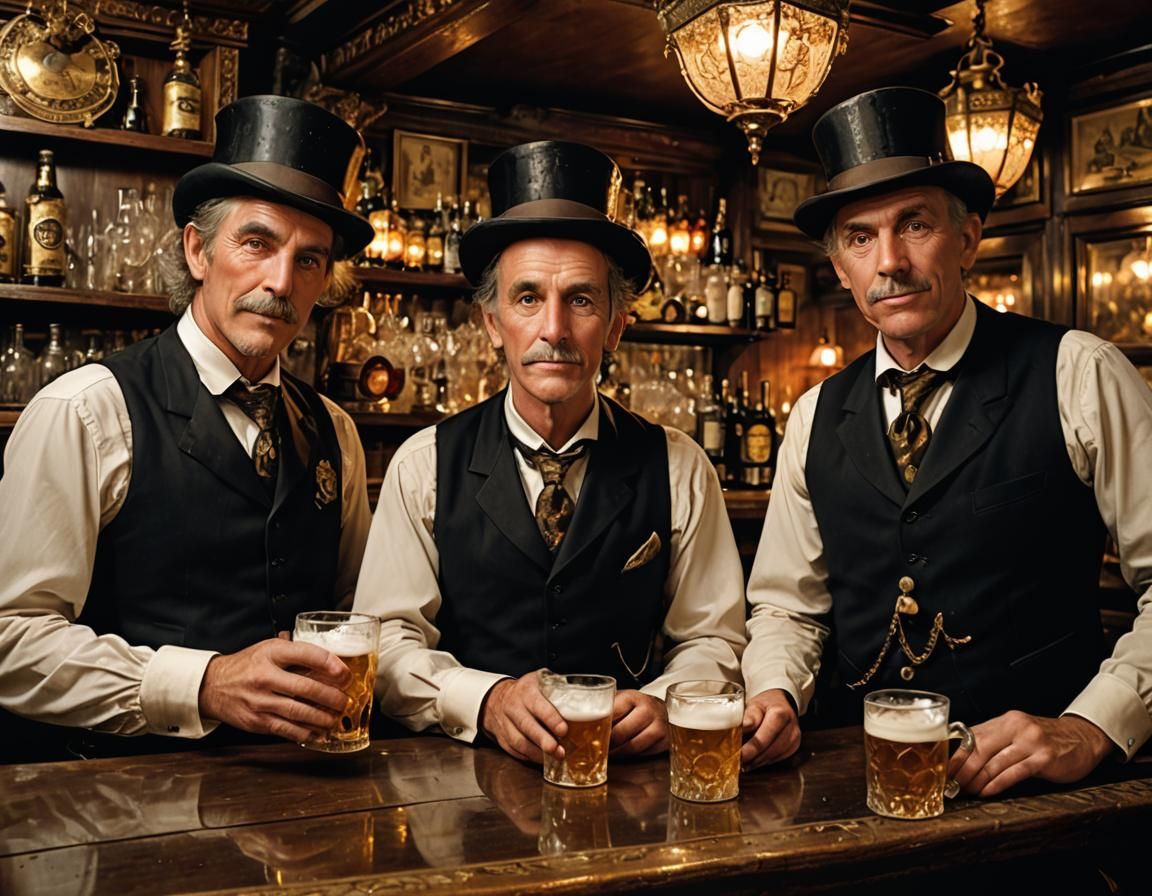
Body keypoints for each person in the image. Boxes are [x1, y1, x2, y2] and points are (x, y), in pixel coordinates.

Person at [740, 87, 1152, 797]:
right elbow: (787, 606)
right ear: (841, 268)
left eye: (915, 225)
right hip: (854, 787)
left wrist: (1090, 726)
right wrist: (776, 691)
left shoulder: (1077, 371)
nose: (890, 260)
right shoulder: (814, 414)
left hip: (1033, 801)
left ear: (967, 238)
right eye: (861, 238)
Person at [0, 95, 376, 761]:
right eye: (256, 243)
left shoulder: (335, 429)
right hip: (122, 802)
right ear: (198, 249)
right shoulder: (88, 410)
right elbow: (12, 641)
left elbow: (353, 612)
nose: (280, 280)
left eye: (310, 259)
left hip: (302, 808)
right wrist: (200, 684)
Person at [354, 140, 746, 764]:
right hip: (459, 791)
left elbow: (712, 639)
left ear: (617, 324)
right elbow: (389, 644)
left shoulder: (679, 465)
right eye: (528, 297)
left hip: (629, 784)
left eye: (582, 300)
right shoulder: (424, 463)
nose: (554, 330)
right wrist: (486, 698)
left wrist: (671, 700)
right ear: (491, 321)